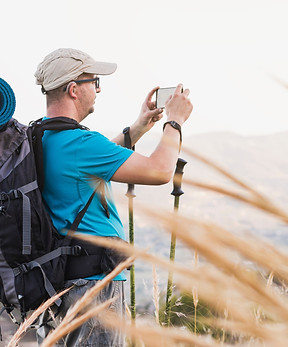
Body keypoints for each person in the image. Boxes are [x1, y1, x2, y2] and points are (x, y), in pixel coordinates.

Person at [34, 48, 193, 346]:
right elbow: (160, 171)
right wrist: (175, 121)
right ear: (73, 90)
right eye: (94, 82)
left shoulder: (41, 138)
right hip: (94, 288)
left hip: (57, 284)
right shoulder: (81, 143)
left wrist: (140, 126)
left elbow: (88, 164)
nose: (98, 89)